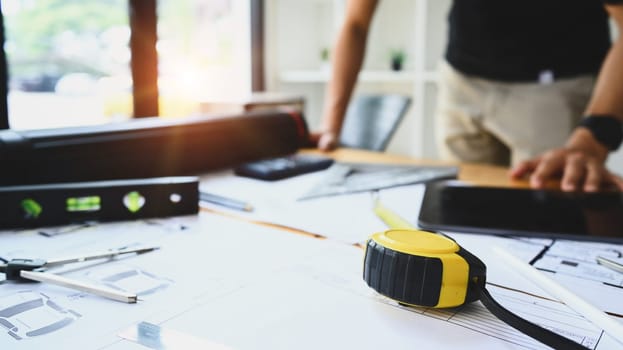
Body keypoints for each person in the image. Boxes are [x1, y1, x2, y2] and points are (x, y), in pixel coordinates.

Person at [312, 0, 623, 192]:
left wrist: (592, 139)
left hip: (555, 86)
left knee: (551, 218)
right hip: (461, 80)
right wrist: (331, 127)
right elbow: (355, 22)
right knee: (460, 211)